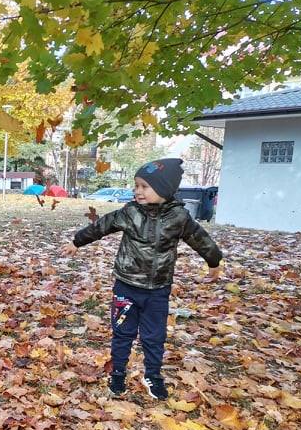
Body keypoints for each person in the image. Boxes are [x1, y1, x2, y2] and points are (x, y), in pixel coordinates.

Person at [61, 159, 222, 400]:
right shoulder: (130, 212)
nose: (138, 191)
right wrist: (77, 241)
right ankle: (117, 372)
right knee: (122, 332)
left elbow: (200, 239)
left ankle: (153, 375)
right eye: (136, 185)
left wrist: (214, 261)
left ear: (165, 189)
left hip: (158, 289)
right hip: (126, 286)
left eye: (145, 186)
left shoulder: (179, 217)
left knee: (154, 336)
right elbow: (102, 226)